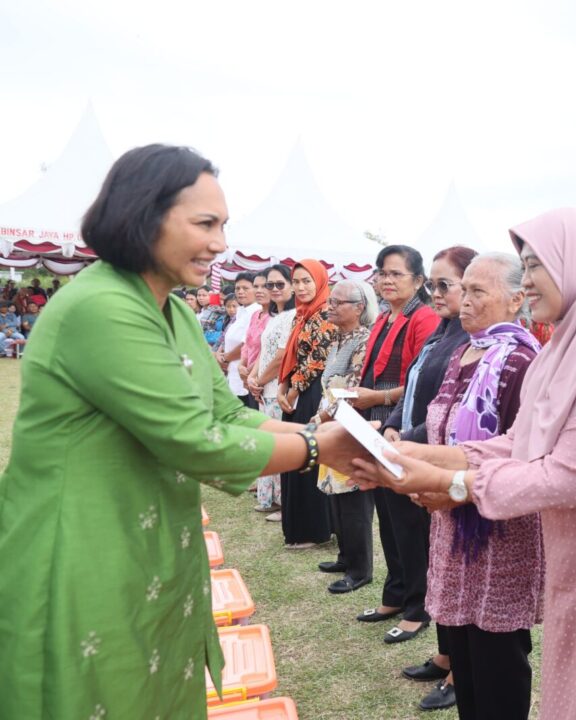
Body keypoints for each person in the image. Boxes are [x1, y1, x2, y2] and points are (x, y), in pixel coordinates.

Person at [0, 144, 361, 719]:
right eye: (205, 224)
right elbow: (197, 441)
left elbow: (226, 414)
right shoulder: (100, 307)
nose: (220, 243)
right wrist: (319, 447)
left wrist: (322, 435)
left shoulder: (175, 312)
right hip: (83, 552)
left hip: (151, 544)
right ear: (144, 216)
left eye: (223, 226)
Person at [351, 208, 576, 720]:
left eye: (535, 266)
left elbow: (568, 473)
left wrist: (454, 482)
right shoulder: (571, 348)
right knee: (574, 690)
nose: (526, 280)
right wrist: (412, 454)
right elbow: (520, 440)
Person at [411, 253, 543, 720]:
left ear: (516, 300)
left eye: (477, 292)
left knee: (497, 654)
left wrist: (450, 481)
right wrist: (408, 452)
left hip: (498, 531)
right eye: (462, 289)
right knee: (464, 651)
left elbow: (522, 453)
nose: (463, 301)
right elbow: (440, 428)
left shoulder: (522, 361)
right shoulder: (463, 352)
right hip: (453, 519)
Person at [387, 245, 477, 712]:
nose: (436, 293)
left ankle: (461, 669)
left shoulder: (476, 340)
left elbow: (452, 415)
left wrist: (407, 439)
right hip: (420, 448)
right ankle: (446, 655)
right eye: (433, 285)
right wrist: (397, 430)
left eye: (447, 285)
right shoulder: (442, 332)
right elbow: (421, 391)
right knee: (438, 565)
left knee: (457, 573)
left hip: (445, 462)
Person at [352, 245, 439, 640]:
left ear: (419, 281)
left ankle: (418, 606)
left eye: (396, 274)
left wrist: (380, 402)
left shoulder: (424, 318)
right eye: (382, 273)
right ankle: (396, 591)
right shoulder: (386, 318)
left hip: (404, 418)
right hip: (381, 417)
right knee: (387, 514)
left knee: (408, 518)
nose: (386, 280)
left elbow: (420, 382)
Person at [310, 279, 379, 593]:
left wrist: (323, 415)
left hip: (351, 423)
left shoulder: (365, 339)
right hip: (332, 419)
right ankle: (345, 555)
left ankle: (360, 569)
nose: (331, 307)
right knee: (335, 493)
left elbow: (351, 387)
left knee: (353, 498)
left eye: (339, 302)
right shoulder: (338, 337)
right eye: (331, 301)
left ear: (359, 307)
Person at [276, 260, 336, 549]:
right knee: (297, 456)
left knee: (307, 456)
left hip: (312, 392)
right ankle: (304, 527)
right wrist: (283, 386)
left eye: (307, 281)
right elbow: (292, 357)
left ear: (320, 281)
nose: (300, 287)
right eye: (296, 282)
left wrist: (293, 391)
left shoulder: (325, 312)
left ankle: (312, 530)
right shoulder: (301, 315)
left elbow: (317, 360)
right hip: (299, 390)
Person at [248, 264, 296, 519]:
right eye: (270, 285)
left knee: (279, 447)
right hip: (263, 389)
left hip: (278, 388)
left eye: (280, 284)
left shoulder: (293, 315)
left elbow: (280, 357)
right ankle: (270, 499)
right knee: (268, 444)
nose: (274, 289)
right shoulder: (273, 317)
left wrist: (260, 379)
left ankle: (282, 501)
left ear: (291, 286)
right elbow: (263, 353)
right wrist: (254, 378)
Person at [215, 272, 258, 404]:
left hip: (244, 374)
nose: (240, 292)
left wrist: (225, 358)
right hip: (232, 372)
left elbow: (247, 344)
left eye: (245, 288)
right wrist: (219, 353)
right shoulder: (240, 312)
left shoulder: (256, 312)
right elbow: (227, 336)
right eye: (237, 288)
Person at [238, 272, 271, 408]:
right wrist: (241, 365)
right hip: (250, 376)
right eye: (256, 286)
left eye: (264, 286)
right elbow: (247, 343)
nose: (259, 291)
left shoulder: (275, 316)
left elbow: (266, 350)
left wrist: (250, 373)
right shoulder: (255, 314)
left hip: (264, 377)